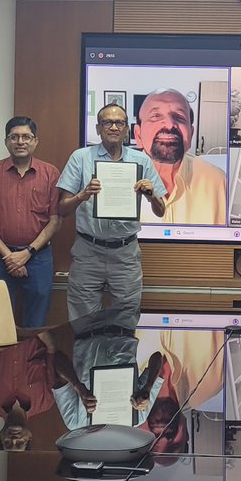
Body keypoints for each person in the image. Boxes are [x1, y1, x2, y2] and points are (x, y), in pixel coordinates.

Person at [59, 102, 166, 319]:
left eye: (119, 123)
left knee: (125, 321)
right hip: (88, 251)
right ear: (98, 128)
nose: (114, 127)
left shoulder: (141, 160)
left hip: (125, 253)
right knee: (83, 324)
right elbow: (62, 209)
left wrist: (151, 194)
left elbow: (161, 210)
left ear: (127, 128)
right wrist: (83, 195)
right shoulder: (80, 158)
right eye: (107, 122)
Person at [0, 116, 61, 327]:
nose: (20, 142)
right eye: (14, 137)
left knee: (36, 325)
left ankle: (30, 361)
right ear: (6, 141)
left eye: (26, 137)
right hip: (0, 258)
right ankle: (1, 362)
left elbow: (55, 221)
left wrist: (27, 252)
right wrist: (9, 257)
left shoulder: (50, 174)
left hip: (38, 258)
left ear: (36, 141)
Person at [133, 89, 227, 224]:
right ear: (138, 134)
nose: (170, 125)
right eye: (155, 116)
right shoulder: (117, 181)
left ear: (191, 133)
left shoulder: (218, 182)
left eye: (179, 117)